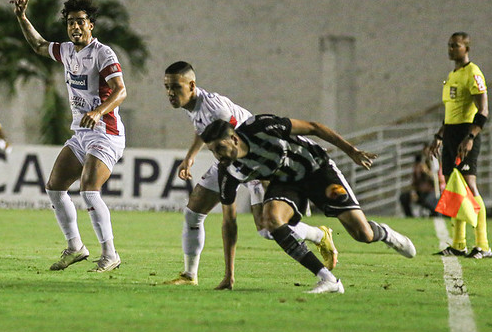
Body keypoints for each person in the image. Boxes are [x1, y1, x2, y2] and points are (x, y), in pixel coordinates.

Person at [162, 61, 337, 289]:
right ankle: (189, 275)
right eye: (167, 87)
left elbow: (232, 141)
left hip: (254, 161)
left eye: (175, 87)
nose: (170, 93)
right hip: (227, 160)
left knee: (267, 228)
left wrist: (267, 182)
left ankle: (318, 235)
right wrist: (190, 157)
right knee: (193, 211)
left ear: (192, 85)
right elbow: (203, 131)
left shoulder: (217, 109)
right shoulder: (192, 104)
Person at [200, 114, 416, 295]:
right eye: (212, 151)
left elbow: (314, 127)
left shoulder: (262, 126)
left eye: (219, 148)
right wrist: (229, 275)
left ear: (234, 139)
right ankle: (328, 279)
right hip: (286, 183)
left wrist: (350, 151)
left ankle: (385, 234)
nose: (217, 156)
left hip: (317, 170)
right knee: (270, 220)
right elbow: (229, 222)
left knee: (363, 235)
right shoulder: (228, 171)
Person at [11, 0, 126, 273]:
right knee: (54, 187)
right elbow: (38, 45)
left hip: (105, 133)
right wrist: (22, 18)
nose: (75, 27)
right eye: (70, 22)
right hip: (81, 133)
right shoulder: (66, 51)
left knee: (88, 191)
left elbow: (121, 90)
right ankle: (76, 247)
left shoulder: (103, 53)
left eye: (80, 22)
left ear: (91, 26)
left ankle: (110, 254)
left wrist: (98, 111)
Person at [429, 32, 492, 259]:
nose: (450, 49)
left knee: (470, 186)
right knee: (454, 188)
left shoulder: (473, 73)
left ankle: (483, 245)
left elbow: (483, 111)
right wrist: (438, 136)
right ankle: (458, 244)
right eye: (449, 45)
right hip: (451, 134)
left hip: (466, 133)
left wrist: (471, 137)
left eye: (455, 46)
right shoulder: (452, 75)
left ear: (466, 48)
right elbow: (450, 115)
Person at [400, 144, 444, 217]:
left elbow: (440, 181)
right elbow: (414, 182)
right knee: (404, 197)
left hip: (431, 192)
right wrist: (413, 192)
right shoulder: (419, 166)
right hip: (420, 192)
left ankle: (434, 216)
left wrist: (426, 172)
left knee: (429, 202)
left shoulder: (436, 165)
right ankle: (410, 217)